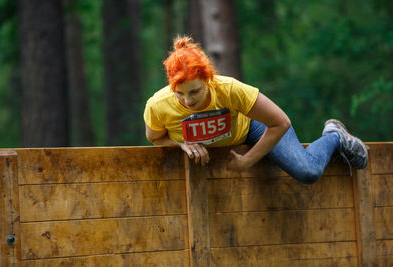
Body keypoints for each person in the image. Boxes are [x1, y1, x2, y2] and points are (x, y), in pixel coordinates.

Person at [143, 36, 368, 184]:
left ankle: (334, 137)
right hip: (219, 151)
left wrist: (248, 160)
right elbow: (155, 138)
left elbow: (281, 122)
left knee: (308, 172)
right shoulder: (158, 105)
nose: (188, 100)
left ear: (207, 80)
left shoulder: (230, 89)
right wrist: (182, 143)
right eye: (179, 93)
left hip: (252, 129)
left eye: (194, 92)